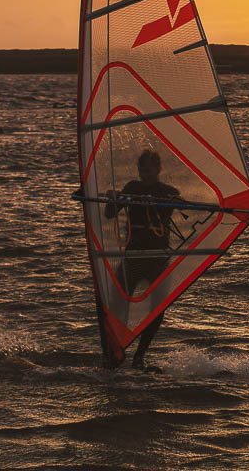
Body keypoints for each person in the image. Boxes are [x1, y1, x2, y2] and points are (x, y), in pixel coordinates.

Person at [105, 149, 180, 372]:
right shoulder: (132, 188)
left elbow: (176, 205)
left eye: (148, 171)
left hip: (157, 258)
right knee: (117, 300)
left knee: (157, 308)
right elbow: (110, 213)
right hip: (134, 255)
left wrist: (163, 201)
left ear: (158, 170)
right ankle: (116, 348)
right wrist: (113, 198)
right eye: (141, 171)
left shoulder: (169, 192)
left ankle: (140, 355)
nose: (144, 175)